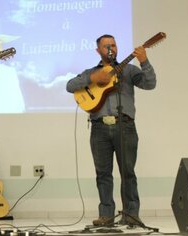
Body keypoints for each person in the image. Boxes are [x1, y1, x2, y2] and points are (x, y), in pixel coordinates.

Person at [66, 34, 156, 226]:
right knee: (103, 174)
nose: (111, 49)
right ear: (98, 50)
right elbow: (70, 86)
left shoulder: (130, 70)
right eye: (106, 46)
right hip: (99, 128)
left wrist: (144, 60)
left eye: (113, 45)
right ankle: (106, 216)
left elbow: (150, 84)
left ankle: (131, 215)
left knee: (128, 173)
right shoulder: (90, 71)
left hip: (125, 126)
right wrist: (93, 77)